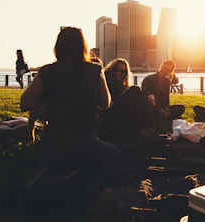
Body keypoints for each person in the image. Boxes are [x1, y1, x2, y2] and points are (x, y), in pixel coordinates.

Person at [20, 27, 121, 177]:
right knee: (116, 155)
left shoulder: (46, 72)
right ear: (83, 47)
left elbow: (24, 104)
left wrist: (45, 97)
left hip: (53, 145)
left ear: (58, 48)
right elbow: (105, 103)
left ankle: (60, 169)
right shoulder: (95, 70)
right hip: (86, 144)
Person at [102, 58, 150, 136]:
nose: (118, 73)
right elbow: (123, 90)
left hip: (117, 114)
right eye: (115, 70)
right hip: (108, 115)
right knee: (136, 90)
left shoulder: (119, 83)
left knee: (141, 93)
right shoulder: (107, 79)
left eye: (122, 71)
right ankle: (145, 127)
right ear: (110, 69)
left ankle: (144, 126)